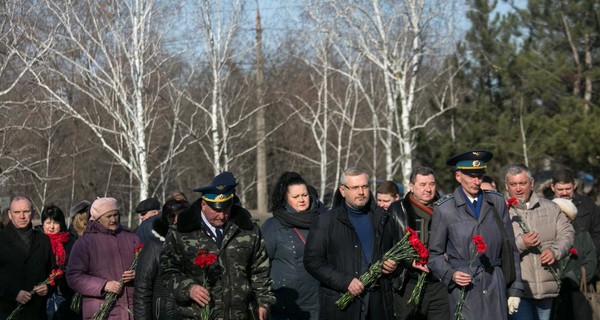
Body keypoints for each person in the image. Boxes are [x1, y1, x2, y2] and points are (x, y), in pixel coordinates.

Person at [160, 172, 275, 320]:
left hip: (241, 314)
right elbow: (168, 270)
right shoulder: (181, 233)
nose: (222, 216)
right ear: (203, 205)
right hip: (200, 315)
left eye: (226, 209)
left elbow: (260, 269)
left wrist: (264, 302)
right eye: (216, 210)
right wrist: (188, 288)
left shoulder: (248, 230)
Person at [428, 150, 523, 319]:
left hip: (495, 285)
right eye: (471, 176)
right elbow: (434, 255)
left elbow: (510, 248)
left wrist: (515, 288)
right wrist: (451, 274)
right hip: (464, 289)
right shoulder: (444, 209)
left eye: (480, 176)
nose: (477, 181)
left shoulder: (497, 202)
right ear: (458, 176)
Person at [304, 166, 398, 319]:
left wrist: (394, 265)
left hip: (378, 305)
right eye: (355, 188)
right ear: (343, 190)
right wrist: (345, 281)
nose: (361, 192)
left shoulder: (383, 219)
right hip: (343, 306)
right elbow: (312, 261)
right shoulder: (326, 222)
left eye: (364, 187)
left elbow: (395, 255)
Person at [505, 163, 574, 320]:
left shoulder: (550, 207)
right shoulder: (501, 211)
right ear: (506, 186)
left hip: (546, 286)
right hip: (518, 289)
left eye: (522, 183)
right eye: (513, 184)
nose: (518, 189)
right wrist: (521, 243)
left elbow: (567, 233)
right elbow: (495, 246)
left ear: (532, 183)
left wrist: (555, 251)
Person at [388, 166, 449, 320]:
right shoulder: (397, 209)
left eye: (432, 184)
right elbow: (388, 245)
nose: (428, 189)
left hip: (439, 283)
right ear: (411, 186)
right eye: (422, 184)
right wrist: (409, 260)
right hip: (408, 281)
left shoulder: (446, 208)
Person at [66, 197, 141, 319]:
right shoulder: (85, 243)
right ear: (97, 219)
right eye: (108, 216)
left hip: (131, 310)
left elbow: (147, 268)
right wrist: (103, 285)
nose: (113, 219)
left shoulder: (132, 238)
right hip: (102, 311)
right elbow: (73, 276)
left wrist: (137, 274)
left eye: (115, 215)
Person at [261, 172, 323, 319]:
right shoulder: (273, 226)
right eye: (295, 197)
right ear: (285, 199)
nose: (302, 200)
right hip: (286, 306)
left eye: (305, 195)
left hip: (318, 303)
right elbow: (259, 267)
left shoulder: (322, 221)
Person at [134, 198, 189, 320]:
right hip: (163, 313)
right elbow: (142, 291)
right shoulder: (155, 246)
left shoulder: (196, 243)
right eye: (178, 217)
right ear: (170, 219)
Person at [0, 196, 53, 319]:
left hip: (37, 310)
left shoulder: (43, 239)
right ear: (9, 214)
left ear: (33, 212)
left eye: (26, 212)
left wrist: (48, 287)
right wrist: (13, 293)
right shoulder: (1, 239)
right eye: (17, 212)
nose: (22, 216)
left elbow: (53, 271)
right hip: (7, 309)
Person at [551, 198, 597, 320]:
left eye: (561, 215)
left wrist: (573, 277)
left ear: (569, 218)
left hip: (575, 294)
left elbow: (591, 262)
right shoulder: (545, 236)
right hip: (550, 295)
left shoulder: (582, 235)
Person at [550, 168, 600, 260]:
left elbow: (597, 234)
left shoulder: (588, 205)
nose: (564, 193)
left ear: (575, 185)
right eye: (560, 189)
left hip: (584, 260)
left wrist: (590, 258)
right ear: (552, 187)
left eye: (568, 189)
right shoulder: (545, 206)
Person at [40, 204, 79, 320]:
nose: (51, 227)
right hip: (42, 293)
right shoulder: (37, 241)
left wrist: (63, 271)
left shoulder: (70, 241)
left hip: (67, 292)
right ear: (42, 223)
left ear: (61, 224)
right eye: (48, 222)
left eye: (55, 223)